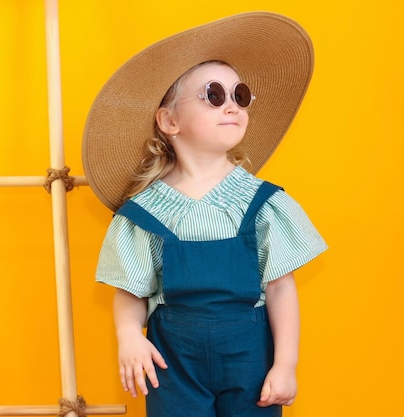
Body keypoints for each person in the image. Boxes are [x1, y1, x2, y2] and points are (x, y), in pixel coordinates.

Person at [82, 11, 328, 417]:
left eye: (240, 95)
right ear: (170, 120)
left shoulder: (263, 202)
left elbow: (282, 289)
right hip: (173, 364)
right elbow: (130, 289)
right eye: (214, 95)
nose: (231, 105)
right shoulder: (143, 213)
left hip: (250, 359)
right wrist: (129, 336)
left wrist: (285, 365)